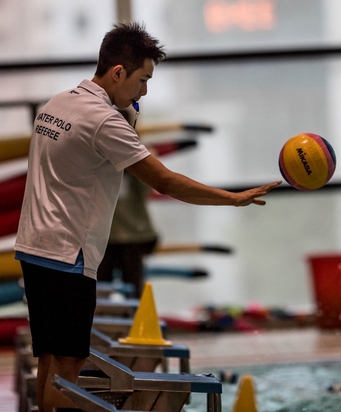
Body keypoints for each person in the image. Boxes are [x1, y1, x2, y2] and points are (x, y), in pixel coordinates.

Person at [14, 22, 280, 412]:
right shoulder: (103, 120)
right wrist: (232, 198)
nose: (144, 92)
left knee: (49, 360)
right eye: (142, 80)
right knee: (69, 368)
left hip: (34, 248)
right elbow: (165, 181)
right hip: (68, 255)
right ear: (117, 72)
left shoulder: (57, 104)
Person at [97, 107, 158, 298]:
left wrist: (131, 158)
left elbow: (148, 187)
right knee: (99, 290)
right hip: (102, 234)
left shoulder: (141, 152)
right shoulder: (93, 152)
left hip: (133, 233)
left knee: (133, 289)